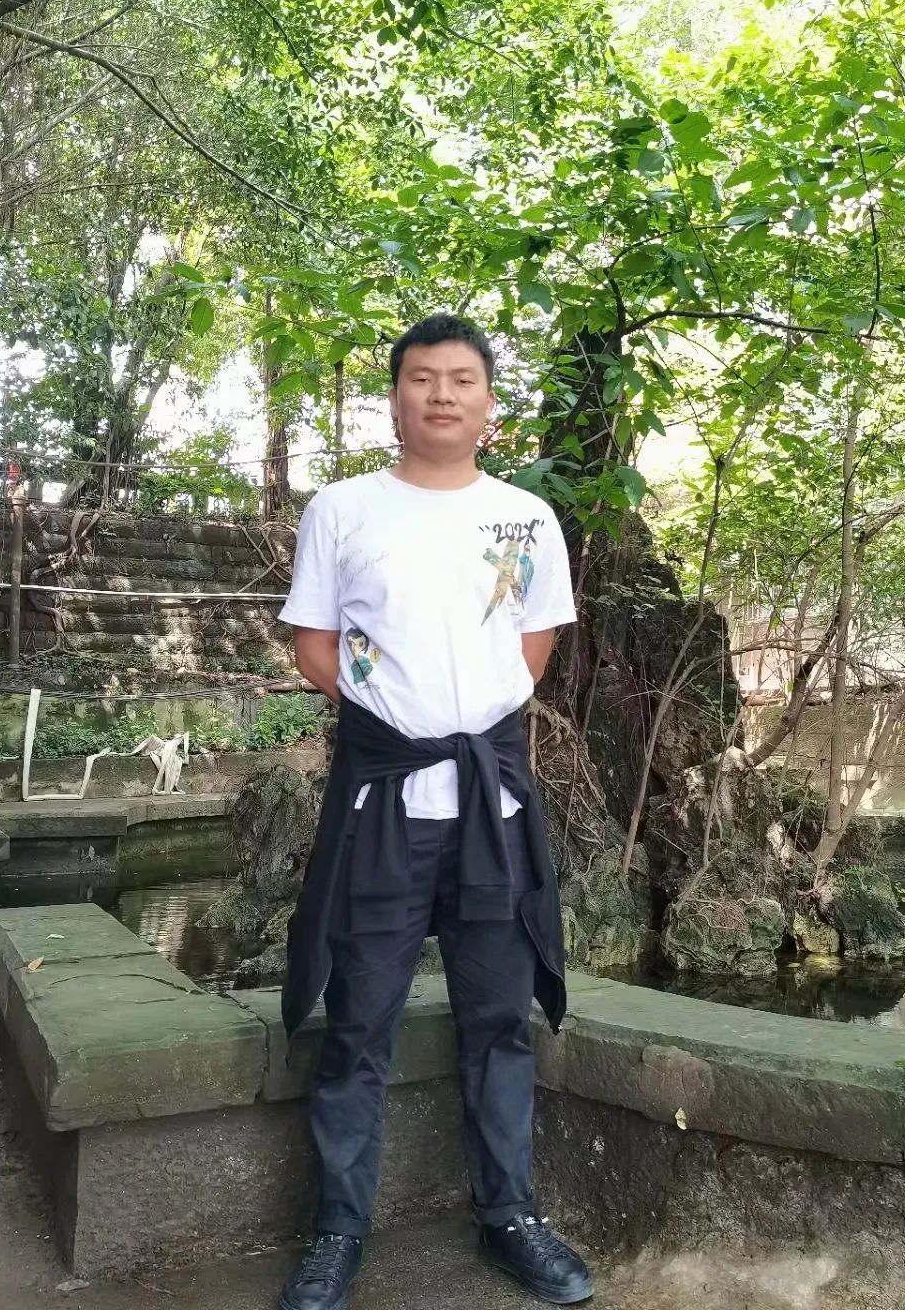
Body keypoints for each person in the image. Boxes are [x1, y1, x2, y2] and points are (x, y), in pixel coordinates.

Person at [275, 313, 594, 1310]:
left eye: (461, 378)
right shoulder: (344, 510)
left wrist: (464, 722)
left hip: (489, 806)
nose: (442, 394)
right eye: (422, 377)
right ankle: (338, 1230)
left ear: (489, 402)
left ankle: (510, 1217)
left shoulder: (525, 519)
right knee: (358, 1016)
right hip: (385, 805)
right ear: (396, 397)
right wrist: (399, 719)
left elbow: (532, 646)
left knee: (499, 1018)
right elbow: (315, 645)